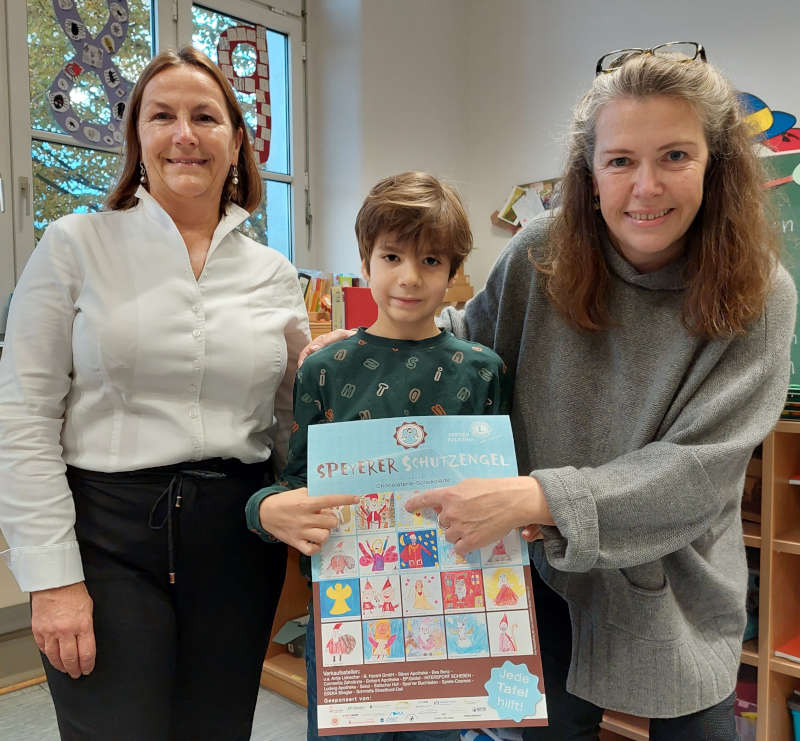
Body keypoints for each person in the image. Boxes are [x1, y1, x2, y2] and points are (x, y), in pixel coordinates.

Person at [307, 46, 797, 740]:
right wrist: (376, 342)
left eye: (676, 157)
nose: (646, 187)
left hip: (678, 594)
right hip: (536, 584)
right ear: (589, 172)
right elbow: (464, 349)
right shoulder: (541, 252)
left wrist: (539, 498)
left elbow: (695, 471)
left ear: (717, 165)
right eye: (621, 159)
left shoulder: (762, 295)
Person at [0, 47, 333, 741]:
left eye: (206, 116)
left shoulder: (273, 272)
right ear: (138, 138)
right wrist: (50, 578)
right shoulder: (73, 245)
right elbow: (23, 418)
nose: (185, 132)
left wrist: (343, 377)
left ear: (236, 141)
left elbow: (286, 421)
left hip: (238, 539)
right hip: (106, 539)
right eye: (163, 115)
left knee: (216, 730)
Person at [244, 171, 512, 740]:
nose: (409, 278)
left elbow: (498, 491)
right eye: (391, 256)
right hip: (350, 613)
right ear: (366, 260)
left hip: (451, 611)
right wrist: (265, 510)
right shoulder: (325, 369)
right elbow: (297, 484)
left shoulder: (480, 370)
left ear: (455, 272)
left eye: (432, 261)